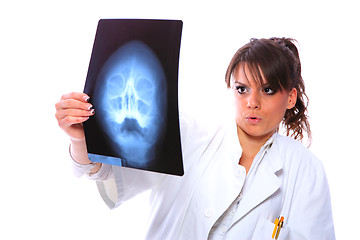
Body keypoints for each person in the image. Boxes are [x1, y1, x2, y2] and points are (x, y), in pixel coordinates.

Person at [55, 37, 335, 239]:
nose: (252, 102)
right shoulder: (187, 134)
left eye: (268, 90)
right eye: (241, 89)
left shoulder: (306, 170)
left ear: (291, 98)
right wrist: (81, 140)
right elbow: (106, 172)